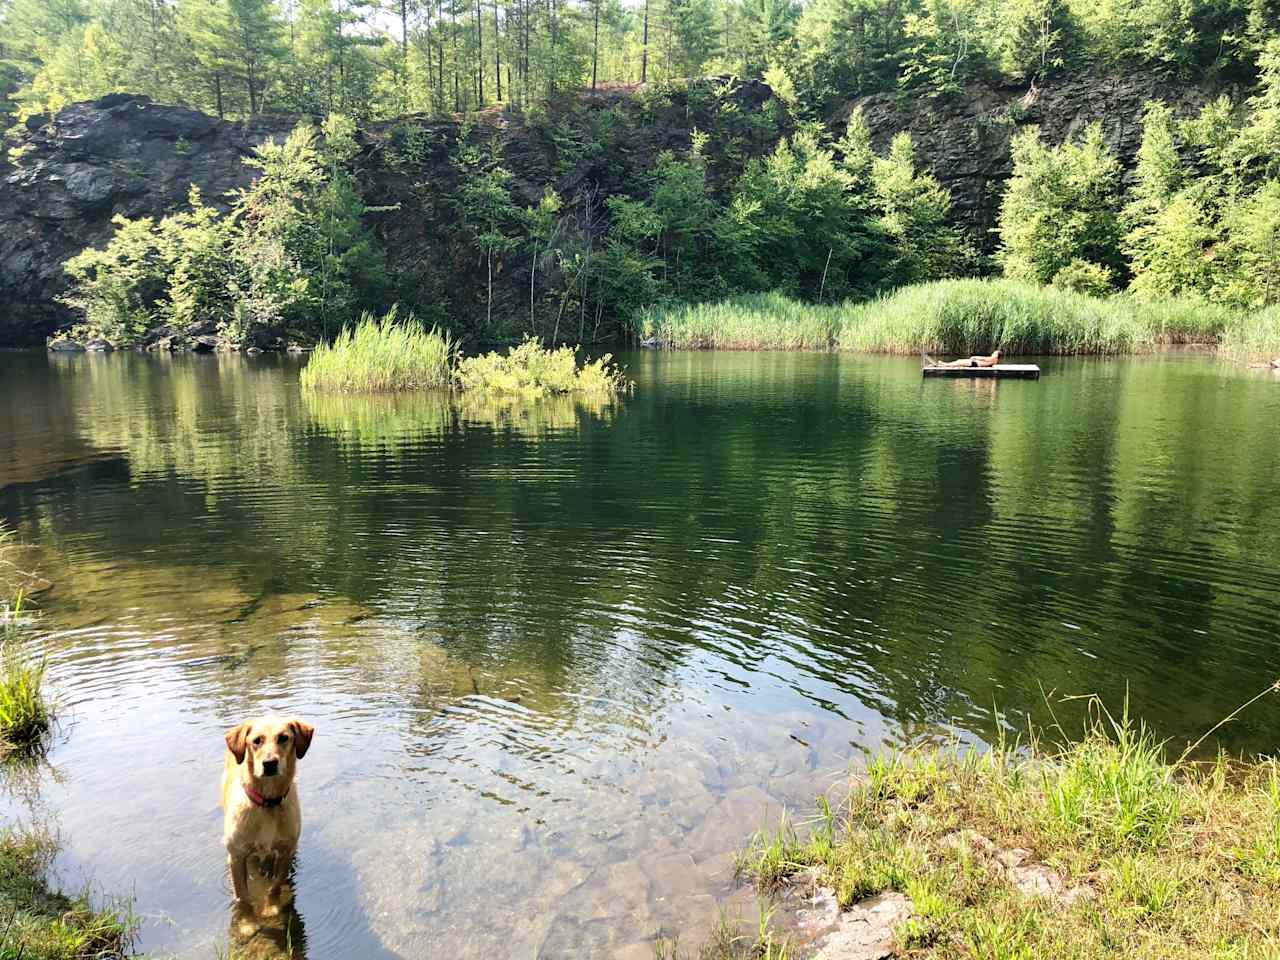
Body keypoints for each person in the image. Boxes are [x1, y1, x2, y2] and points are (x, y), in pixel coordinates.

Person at [925, 350, 1002, 368]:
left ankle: (945, 364)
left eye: (994, 353)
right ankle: (945, 364)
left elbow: (984, 359)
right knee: (959, 361)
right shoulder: (994, 360)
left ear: (997, 355)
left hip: (974, 363)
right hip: (974, 363)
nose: (993, 353)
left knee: (959, 362)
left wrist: (975, 357)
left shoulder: (993, 358)